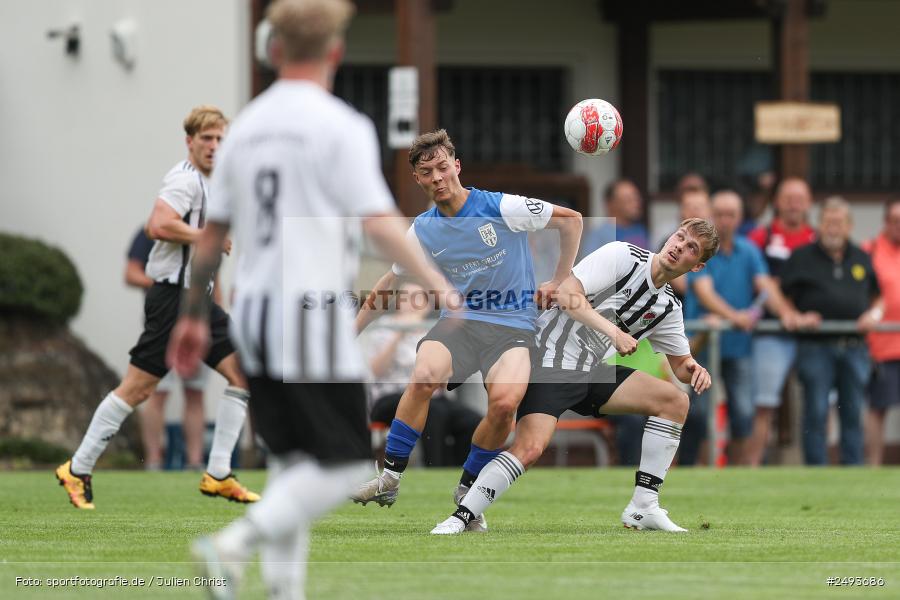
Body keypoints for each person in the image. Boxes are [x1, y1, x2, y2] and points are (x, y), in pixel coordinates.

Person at [166, 2, 452, 597]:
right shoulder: (339, 125)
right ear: (336, 52)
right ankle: (232, 545)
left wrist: (193, 316)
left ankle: (281, 591)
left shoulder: (244, 128)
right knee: (347, 463)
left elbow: (214, 236)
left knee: (292, 460)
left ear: (272, 51)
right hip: (309, 313)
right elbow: (379, 220)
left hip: (252, 313)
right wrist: (436, 279)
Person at [351, 129, 583, 533]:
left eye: (443, 167)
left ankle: (467, 489)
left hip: (512, 327)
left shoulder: (501, 207)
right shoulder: (422, 230)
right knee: (423, 376)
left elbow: (571, 221)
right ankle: (389, 478)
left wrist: (560, 279)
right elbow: (391, 282)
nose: (437, 177)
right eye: (427, 172)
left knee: (505, 405)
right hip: (460, 324)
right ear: (418, 180)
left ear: (457, 167)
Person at [431, 219, 718, 535]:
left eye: (691, 247)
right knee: (529, 448)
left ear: (697, 266)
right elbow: (568, 294)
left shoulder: (669, 307)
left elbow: (680, 364)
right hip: (548, 360)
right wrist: (614, 333)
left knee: (675, 401)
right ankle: (462, 515)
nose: (680, 246)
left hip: (591, 371)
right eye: (680, 236)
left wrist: (693, 368)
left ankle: (643, 506)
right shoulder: (623, 256)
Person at [55, 106, 259, 509]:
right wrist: (206, 237)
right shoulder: (184, 180)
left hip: (197, 300)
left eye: (220, 139)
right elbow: (158, 224)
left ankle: (218, 473)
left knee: (243, 373)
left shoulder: (214, 182)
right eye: (206, 139)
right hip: (172, 300)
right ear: (190, 142)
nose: (214, 147)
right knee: (139, 388)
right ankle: (77, 469)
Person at [680, 190, 806, 465]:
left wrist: (786, 313)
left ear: (739, 219)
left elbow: (765, 286)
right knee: (699, 413)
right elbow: (704, 292)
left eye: (731, 215)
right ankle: (693, 469)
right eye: (720, 214)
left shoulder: (749, 250)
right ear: (712, 216)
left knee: (743, 414)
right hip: (702, 346)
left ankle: (734, 474)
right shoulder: (700, 251)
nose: (725, 220)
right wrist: (735, 316)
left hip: (738, 347)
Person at [781, 197, 881, 465]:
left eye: (839, 223)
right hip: (815, 345)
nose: (833, 228)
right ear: (819, 224)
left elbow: (878, 297)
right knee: (815, 410)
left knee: (852, 411)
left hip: (854, 345)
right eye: (828, 222)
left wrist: (874, 315)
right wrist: (795, 316)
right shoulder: (801, 257)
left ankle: (853, 471)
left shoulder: (862, 257)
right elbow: (781, 294)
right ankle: (816, 470)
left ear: (849, 226)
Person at [365, 282, 482, 466]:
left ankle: (459, 471)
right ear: (398, 302)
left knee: (471, 420)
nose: (413, 303)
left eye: (418, 298)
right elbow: (376, 369)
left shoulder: (433, 331)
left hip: (432, 397)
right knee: (433, 412)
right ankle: (435, 470)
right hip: (391, 396)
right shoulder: (384, 327)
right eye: (407, 298)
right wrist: (402, 332)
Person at [744, 177, 818, 466]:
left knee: (818, 404)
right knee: (764, 405)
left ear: (809, 203)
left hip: (811, 333)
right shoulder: (761, 237)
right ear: (777, 202)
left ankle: (818, 467)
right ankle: (749, 469)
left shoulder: (817, 238)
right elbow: (757, 281)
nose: (794, 204)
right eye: (788, 198)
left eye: (800, 198)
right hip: (770, 331)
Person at [126, 226, 208, 470]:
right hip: (164, 326)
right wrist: (168, 285)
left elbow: (212, 278)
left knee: (195, 393)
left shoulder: (203, 231)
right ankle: (153, 459)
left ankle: (195, 462)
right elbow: (131, 273)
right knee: (155, 393)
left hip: (198, 324)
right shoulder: (151, 231)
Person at [862, 198, 899, 465]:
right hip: (882, 345)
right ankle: (872, 467)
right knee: (878, 407)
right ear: (886, 221)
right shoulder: (870, 250)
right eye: (895, 219)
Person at [582, 179, 650, 254]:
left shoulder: (640, 230)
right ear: (611, 204)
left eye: (637, 199)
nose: (636, 204)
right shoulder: (598, 235)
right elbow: (589, 264)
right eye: (629, 199)